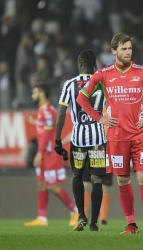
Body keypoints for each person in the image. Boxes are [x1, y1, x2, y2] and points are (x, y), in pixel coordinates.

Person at [76, 33, 143, 234]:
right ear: (114, 51)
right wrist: (100, 118)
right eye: (124, 49)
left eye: (129, 48)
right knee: (122, 180)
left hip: (139, 135)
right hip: (117, 137)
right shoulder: (103, 74)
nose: (128, 52)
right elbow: (82, 98)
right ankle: (131, 224)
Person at [55, 50, 107, 232]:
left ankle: (81, 215)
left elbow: (61, 114)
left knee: (77, 176)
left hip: (78, 139)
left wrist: (58, 140)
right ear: (94, 65)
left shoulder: (70, 84)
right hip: (98, 138)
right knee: (97, 179)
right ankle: (93, 223)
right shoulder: (102, 82)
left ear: (79, 64)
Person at [24, 84, 78, 227]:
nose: (32, 96)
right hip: (44, 153)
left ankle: (75, 211)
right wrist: (35, 122)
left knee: (51, 185)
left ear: (42, 93)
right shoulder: (43, 111)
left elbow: (48, 134)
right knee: (41, 184)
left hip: (49, 154)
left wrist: (39, 154)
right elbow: (47, 128)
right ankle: (42, 218)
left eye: (34, 93)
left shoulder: (48, 112)